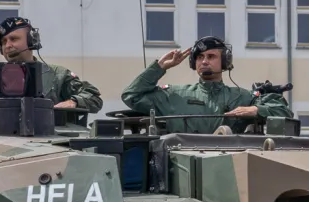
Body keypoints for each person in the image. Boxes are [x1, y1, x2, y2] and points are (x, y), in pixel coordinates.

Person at [121, 36, 292, 133]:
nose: (204, 61)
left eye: (211, 57)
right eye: (199, 57)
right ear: (193, 63)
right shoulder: (174, 95)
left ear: (225, 61)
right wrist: (159, 67)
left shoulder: (242, 97)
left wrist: (255, 110)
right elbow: (132, 96)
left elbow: (283, 111)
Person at [0, 16, 102, 112]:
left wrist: (72, 102)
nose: (8, 45)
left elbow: (93, 97)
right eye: (4, 42)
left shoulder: (56, 75)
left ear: (32, 41)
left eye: (14, 39)